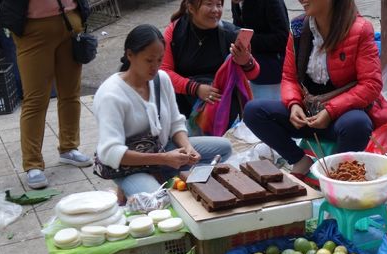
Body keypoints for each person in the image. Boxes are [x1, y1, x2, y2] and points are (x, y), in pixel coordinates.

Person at [243, 0, 387, 184]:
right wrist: (294, 104)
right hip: (308, 114)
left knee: (358, 123)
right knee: (253, 111)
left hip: (341, 117)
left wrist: (331, 111)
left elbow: (371, 84)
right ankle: (299, 160)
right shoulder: (298, 28)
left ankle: (337, 176)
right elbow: (289, 77)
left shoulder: (360, 29)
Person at [93, 24, 232, 198]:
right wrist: (164, 158)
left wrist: (187, 147)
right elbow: (110, 153)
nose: (155, 67)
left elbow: (175, 122)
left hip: (163, 149)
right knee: (159, 198)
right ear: (130, 55)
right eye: (149, 60)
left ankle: (163, 177)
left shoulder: (161, 79)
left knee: (224, 148)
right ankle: (131, 186)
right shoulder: (111, 95)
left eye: (159, 60)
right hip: (128, 166)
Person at [0, 0, 93, 189]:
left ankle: (69, 147)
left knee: (71, 94)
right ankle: (32, 164)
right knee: (35, 99)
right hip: (32, 27)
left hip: (70, 21)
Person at [160, 0, 260, 130]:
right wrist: (195, 88)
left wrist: (246, 61)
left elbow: (254, 73)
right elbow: (164, 71)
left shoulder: (229, 34)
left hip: (221, 113)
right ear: (191, 7)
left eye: (219, 5)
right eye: (209, 4)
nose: (215, 10)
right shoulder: (175, 31)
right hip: (181, 109)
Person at [231, 0, 289, 100]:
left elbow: (283, 38)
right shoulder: (236, 3)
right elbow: (237, 27)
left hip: (272, 64)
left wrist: (247, 40)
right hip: (249, 61)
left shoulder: (270, 2)